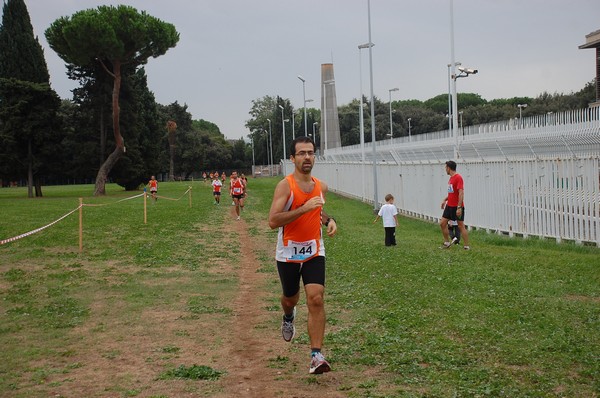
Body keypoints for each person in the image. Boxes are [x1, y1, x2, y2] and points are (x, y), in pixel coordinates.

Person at [268, 136, 337, 375]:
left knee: (316, 298)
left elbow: (318, 209)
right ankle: (288, 315)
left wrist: (329, 220)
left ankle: (316, 355)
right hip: (288, 251)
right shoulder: (285, 186)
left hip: (314, 250)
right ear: (292, 158)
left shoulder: (321, 186)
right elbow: (273, 220)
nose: (307, 157)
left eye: (310, 153)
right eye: (301, 153)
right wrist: (303, 209)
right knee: (291, 298)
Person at [440, 160, 470, 250]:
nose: (445, 169)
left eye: (446, 168)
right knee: (442, 223)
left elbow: (461, 193)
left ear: (449, 168)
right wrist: (444, 200)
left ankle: (466, 246)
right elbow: (452, 193)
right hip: (449, 206)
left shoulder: (458, 178)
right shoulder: (451, 178)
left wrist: (459, 207)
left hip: (456, 207)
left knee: (461, 226)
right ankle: (446, 242)